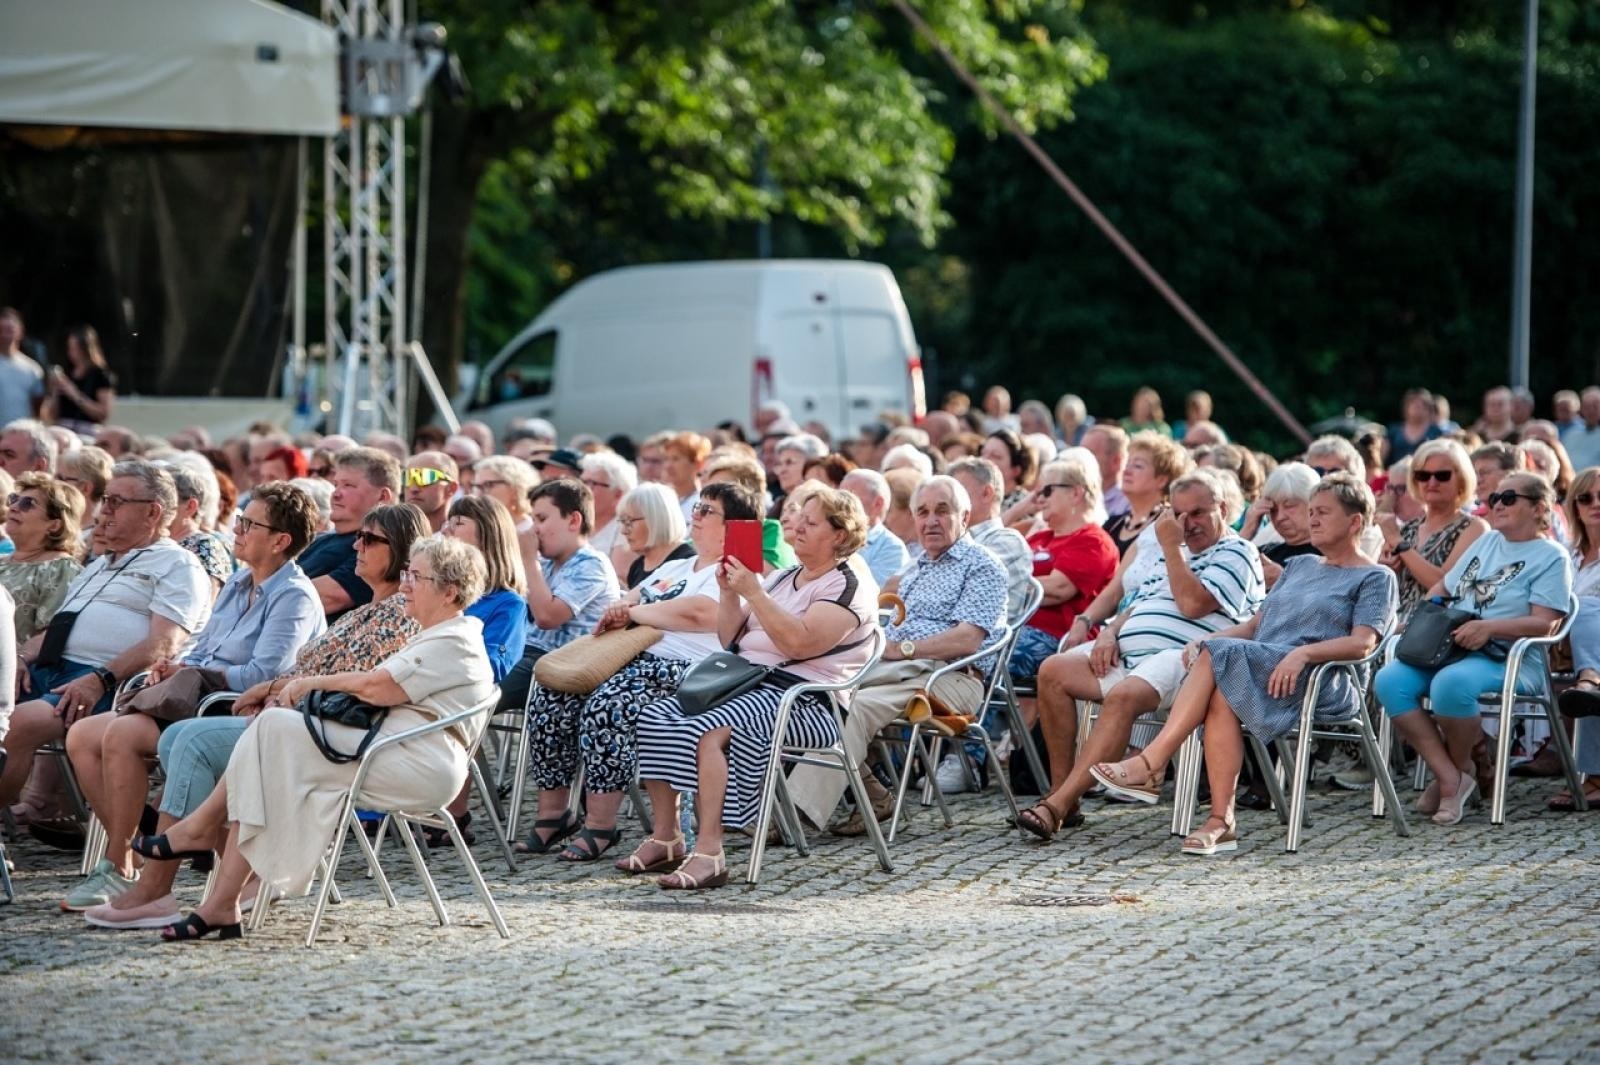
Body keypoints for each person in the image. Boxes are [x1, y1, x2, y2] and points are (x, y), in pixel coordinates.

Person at [82, 504, 430, 930]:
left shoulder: (397, 615)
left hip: (313, 732)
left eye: (370, 539)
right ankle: (193, 860)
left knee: (189, 740)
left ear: (401, 551)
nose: (355, 545)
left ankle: (158, 885)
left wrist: (265, 691)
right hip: (280, 716)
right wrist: (260, 692)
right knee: (158, 738)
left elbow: (348, 686)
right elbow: (303, 671)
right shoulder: (361, 612)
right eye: (359, 536)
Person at [144, 537, 495, 941]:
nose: (405, 587)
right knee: (269, 737)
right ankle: (219, 898)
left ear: (450, 592)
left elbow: (378, 688)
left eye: (416, 577)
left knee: (271, 730)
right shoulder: (436, 633)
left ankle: (203, 836)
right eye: (406, 575)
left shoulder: (454, 640)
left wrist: (308, 684)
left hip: (417, 764)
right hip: (390, 747)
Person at [1089, 473, 1397, 853]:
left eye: (1323, 513)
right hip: (1263, 670)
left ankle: (1151, 760)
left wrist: (1301, 654)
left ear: (1355, 522)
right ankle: (1221, 821)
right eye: (1311, 511)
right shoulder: (1300, 566)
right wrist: (1206, 639)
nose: (1313, 519)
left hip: (1320, 679)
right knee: (1218, 691)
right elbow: (1255, 626)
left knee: (1221, 660)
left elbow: (1363, 643)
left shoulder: (1376, 577)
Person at [60, 482, 324, 911]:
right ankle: (130, 854)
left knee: (121, 735)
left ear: (280, 540)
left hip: (235, 708)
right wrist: (175, 666)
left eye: (249, 523)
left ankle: (129, 869)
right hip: (195, 699)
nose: (236, 529)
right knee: (83, 736)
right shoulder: (240, 582)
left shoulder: (293, 595)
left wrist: (197, 671)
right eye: (239, 519)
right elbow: (202, 647)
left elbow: (266, 675)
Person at [627, 487, 879, 889]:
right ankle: (667, 835)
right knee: (656, 715)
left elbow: (800, 643)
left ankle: (710, 853)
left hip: (808, 701)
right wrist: (729, 593)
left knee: (711, 731)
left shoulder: (847, 587)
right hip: (750, 683)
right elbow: (730, 638)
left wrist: (754, 593)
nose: (796, 530)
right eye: (799, 521)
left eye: (811, 524)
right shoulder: (784, 577)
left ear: (840, 535)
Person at [1016, 469, 1265, 839]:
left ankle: (1055, 805)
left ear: (1224, 508)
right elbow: (1138, 603)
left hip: (1183, 657)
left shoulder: (1237, 552)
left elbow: (1193, 603)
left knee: (1123, 696)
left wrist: (1170, 547)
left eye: (1198, 513)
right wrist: (1110, 633)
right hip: (1127, 652)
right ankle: (1062, 796)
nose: (1186, 524)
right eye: (1178, 514)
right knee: (1052, 670)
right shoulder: (1173, 553)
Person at [522, 481, 763, 861]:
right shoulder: (680, 566)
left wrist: (636, 612)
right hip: (636, 657)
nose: (694, 517)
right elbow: (631, 597)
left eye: (706, 511)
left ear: (733, 525)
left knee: (608, 705)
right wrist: (629, 608)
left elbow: (700, 613)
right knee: (553, 693)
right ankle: (554, 814)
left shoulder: (734, 570)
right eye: (695, 508)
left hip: (688, 668)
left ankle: (601, 824)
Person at [781, 476, 1006, 834]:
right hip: (894, 666)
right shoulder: (916, 564)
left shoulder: (982, 564)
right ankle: (873, 795)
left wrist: (902, 649)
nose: (930, 520)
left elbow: (968, 639)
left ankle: (795, 816)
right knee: (820, 699)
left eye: (942, 511)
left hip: (950, 677)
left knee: (856, 709)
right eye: (922, 512)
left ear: (965, 516)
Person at [0, 460, 212, 815]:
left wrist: (99, 679)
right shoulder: (100, 564)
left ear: (152, 512)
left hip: (111, 685)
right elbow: (59, 628)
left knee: (18, 723)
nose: (104, 510)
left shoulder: (178, 565)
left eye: (117, 501)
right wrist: (19, 660)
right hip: (53, 671)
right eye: (106, 500)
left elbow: (165, 644)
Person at [1374, 472, 1572, 826]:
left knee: (1450, 685)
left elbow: (1546, 624)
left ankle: (1452, 777)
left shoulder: (1551, 556)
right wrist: (1419, 619)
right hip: (1452, 646)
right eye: (1495, 496)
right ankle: (1453, 774)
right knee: (1390, 680)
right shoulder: (1487, 542)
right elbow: (1444, 589)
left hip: (1511, 657)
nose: (1497, 504)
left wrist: (1489, 627)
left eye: (1509, 498)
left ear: (1539, 507)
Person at [499, 478, 620, 717]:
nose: (534, 529)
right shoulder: (546, 564)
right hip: (525, 652)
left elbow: (547, 617)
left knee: (478, 694)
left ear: (574, 520)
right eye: (533, 519)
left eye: (542, 519)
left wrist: (528, 560)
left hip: (558, 663)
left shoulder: (592, 564)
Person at [1010, 457, 1118, 680]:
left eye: (1047, 490)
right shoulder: (1039, 536)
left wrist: (1001, 583)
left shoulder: (1093, 540)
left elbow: (1057, 589)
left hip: (1053, 637)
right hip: (1015, 630)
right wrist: (1019, 509)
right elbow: (983, 546)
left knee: (976, 655)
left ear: (1076, 494)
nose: (1040, 499)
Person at [1549, 467, 1600, 809]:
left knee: (1587, 607)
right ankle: (1591, 679)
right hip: (1561, 644)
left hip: (1585, 645)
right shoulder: (1568, 557)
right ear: (1575, 507)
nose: (1595, 503)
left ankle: (1593, 777)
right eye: (1586, 497)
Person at [301, 447, 401, 619]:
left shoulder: (377, 545)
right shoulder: (319, 540)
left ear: (383, 496)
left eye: (348, 485)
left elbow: (327, 597)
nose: (335, 494)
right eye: (335, 485)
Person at [443, 495, 529, 683]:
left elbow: (492, 668)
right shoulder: (441, 591)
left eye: (457, 523)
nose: (445, 531)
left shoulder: (509, 604)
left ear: (487, 533)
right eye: (446, 523)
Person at [947, 458, 1032, 618]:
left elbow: (950, 587)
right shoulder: (948, 542)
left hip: (977, 638)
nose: (947, 502)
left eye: (957, 494)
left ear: (987, 493)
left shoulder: (1007, 541)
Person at [1102, 431, 1187, 558]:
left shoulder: (1168, 523)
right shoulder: (1113, 524)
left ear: (1162, 480)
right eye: (1127, 463)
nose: (1126, 470)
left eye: (1137, 465)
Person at [1241, 463, 1322, 585]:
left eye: (1289, 506)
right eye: (1273, 510)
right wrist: (1247, 530)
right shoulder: (1266, 552)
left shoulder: (1330, 553)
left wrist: (1282, 579)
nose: (1280, 517)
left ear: (1312, 504)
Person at [162, 461, 232, 595]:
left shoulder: (204, 546)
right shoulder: (157, 541)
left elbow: (206, 604)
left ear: (190, 506)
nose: (157, 506)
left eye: (166, 500)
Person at [613, 482, 691, 588]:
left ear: (656, 520)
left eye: (629, 521)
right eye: (622, 521)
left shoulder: (687, 562)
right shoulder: (637, 566)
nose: (623, 531)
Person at [43, 324, 116, 435]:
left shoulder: (100, 375)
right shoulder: (67, 373)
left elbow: (103, 413)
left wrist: (74, 394)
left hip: (87, 431)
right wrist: (54, 392)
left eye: (76, 349)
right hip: (63, 429)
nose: (72, 353)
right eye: (70, 348)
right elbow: (51, 414)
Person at [841, 468, 909, 585]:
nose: (839, 506)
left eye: (849, 500)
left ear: (878, 504)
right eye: (838, 498)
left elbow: (874, 596)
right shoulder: (830, 537)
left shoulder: (892, 548)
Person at [579, 451, 636, 556]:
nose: (583, 489)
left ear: (618, 495)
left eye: (592, 484)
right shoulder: (575, 523)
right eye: (583, 482)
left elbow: (619, 572)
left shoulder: (624, 531)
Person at [472, 454, 539, 533]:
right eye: (477, 486)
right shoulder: (476, 530)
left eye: (488, 484)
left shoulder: (534, 532)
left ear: (516, 488)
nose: (480, 492)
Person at [0, 308, 44, 425]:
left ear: (20, 332)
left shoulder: (33, 369)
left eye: (10, 330)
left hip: (21, 436)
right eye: (1, 330)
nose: (5, 335)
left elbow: (38, 408)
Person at [1080, 424, 1132, 520]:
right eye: (1080, 453)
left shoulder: (1131, 503)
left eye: (1089, 454)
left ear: (1116, 461)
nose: (1080, 460)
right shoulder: (1075, 496)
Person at [982, 428, 1038, 514]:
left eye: (995, 456)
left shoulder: (1026, 505)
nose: (984, 460)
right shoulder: (979, 497)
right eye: (983, 453)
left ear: (1016, 470)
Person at [403, 451, 459, 533]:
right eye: (407, 478)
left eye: (426, 478)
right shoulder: (390, 535)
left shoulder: (461, 540)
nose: (414, 489)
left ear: (451, 488)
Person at [662, 431, 710, 523]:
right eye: (666, 459)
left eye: (676, 459)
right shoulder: (662, 499)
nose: (668, 465)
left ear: (698, 463)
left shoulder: (703, 504)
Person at [1386, 389, 1444, 463]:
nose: (1418, 408)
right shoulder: (1394, 432)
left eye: (1422, 405)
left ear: (1428, 409)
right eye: (1414, 404)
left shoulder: (1437, 432)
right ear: (1407, 407)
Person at [1471, 442, 1519, 513]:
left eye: (1484, 472)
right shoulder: (1471, 519)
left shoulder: (1524, 517)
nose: (1478, 480)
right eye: (1475, 474)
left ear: (1508, 474)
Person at [1561, 388, 1600, 471]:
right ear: (1581, 409)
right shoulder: (1570, 435)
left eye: (1595, 406)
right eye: (1587, 407)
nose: (1591, 411)